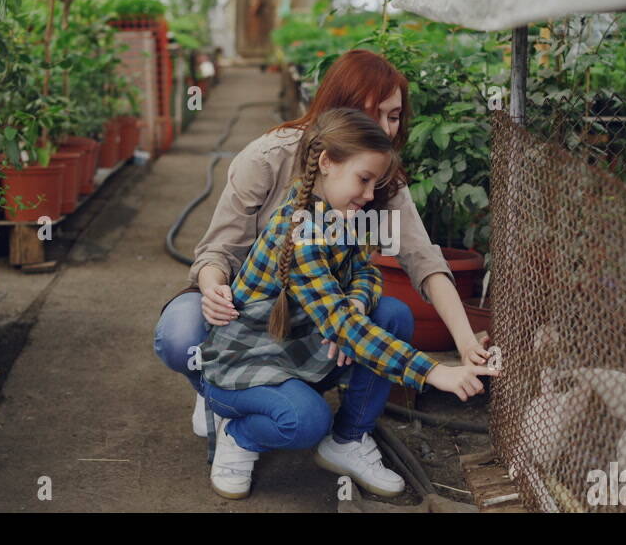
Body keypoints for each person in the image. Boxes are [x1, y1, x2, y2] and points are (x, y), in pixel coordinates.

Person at [153, 49, 491, 492]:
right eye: (376, 114)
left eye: (395, 117)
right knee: (185, 338)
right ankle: (229, 407)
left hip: (304, 323)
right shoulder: (280, 176)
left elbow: (398, 264)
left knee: (392, 315)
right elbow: (218, 248)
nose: (387, 128)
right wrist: (433, 371)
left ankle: (347, 438)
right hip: (245, 322)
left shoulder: (359, 190)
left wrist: (465, 342)